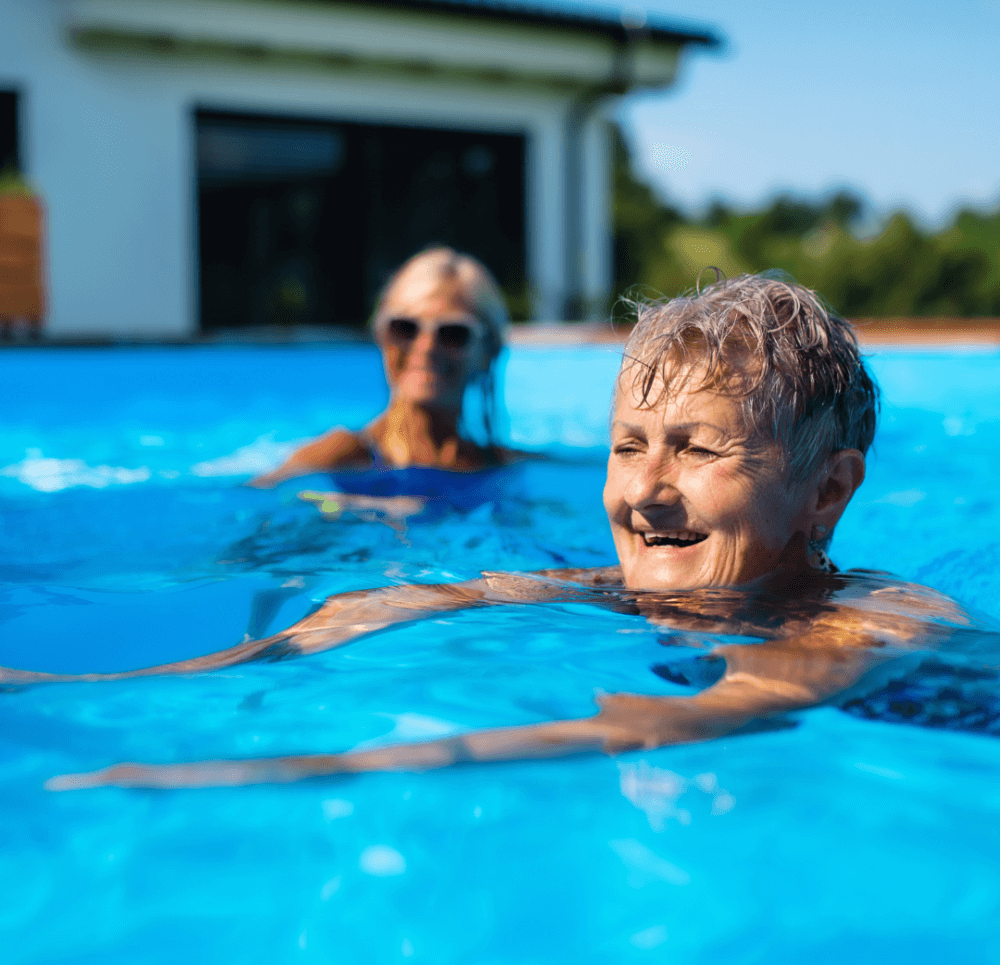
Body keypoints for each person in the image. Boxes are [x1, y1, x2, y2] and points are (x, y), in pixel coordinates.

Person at [33, 274, 984, 791]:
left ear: (826, 496)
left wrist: (284, 768)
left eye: (695, 450)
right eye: (627, 447)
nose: (644, 491)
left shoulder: (871, 626)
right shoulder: (647, 584)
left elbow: (680, 723)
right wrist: (112, 688)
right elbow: (425, 595)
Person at [249, 246, 513, 491]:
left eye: (453, 333)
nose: (426, 347)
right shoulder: (340, 456)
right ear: (382, 337)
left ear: (489, 352)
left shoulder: (503, 465)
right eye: (405, 328)